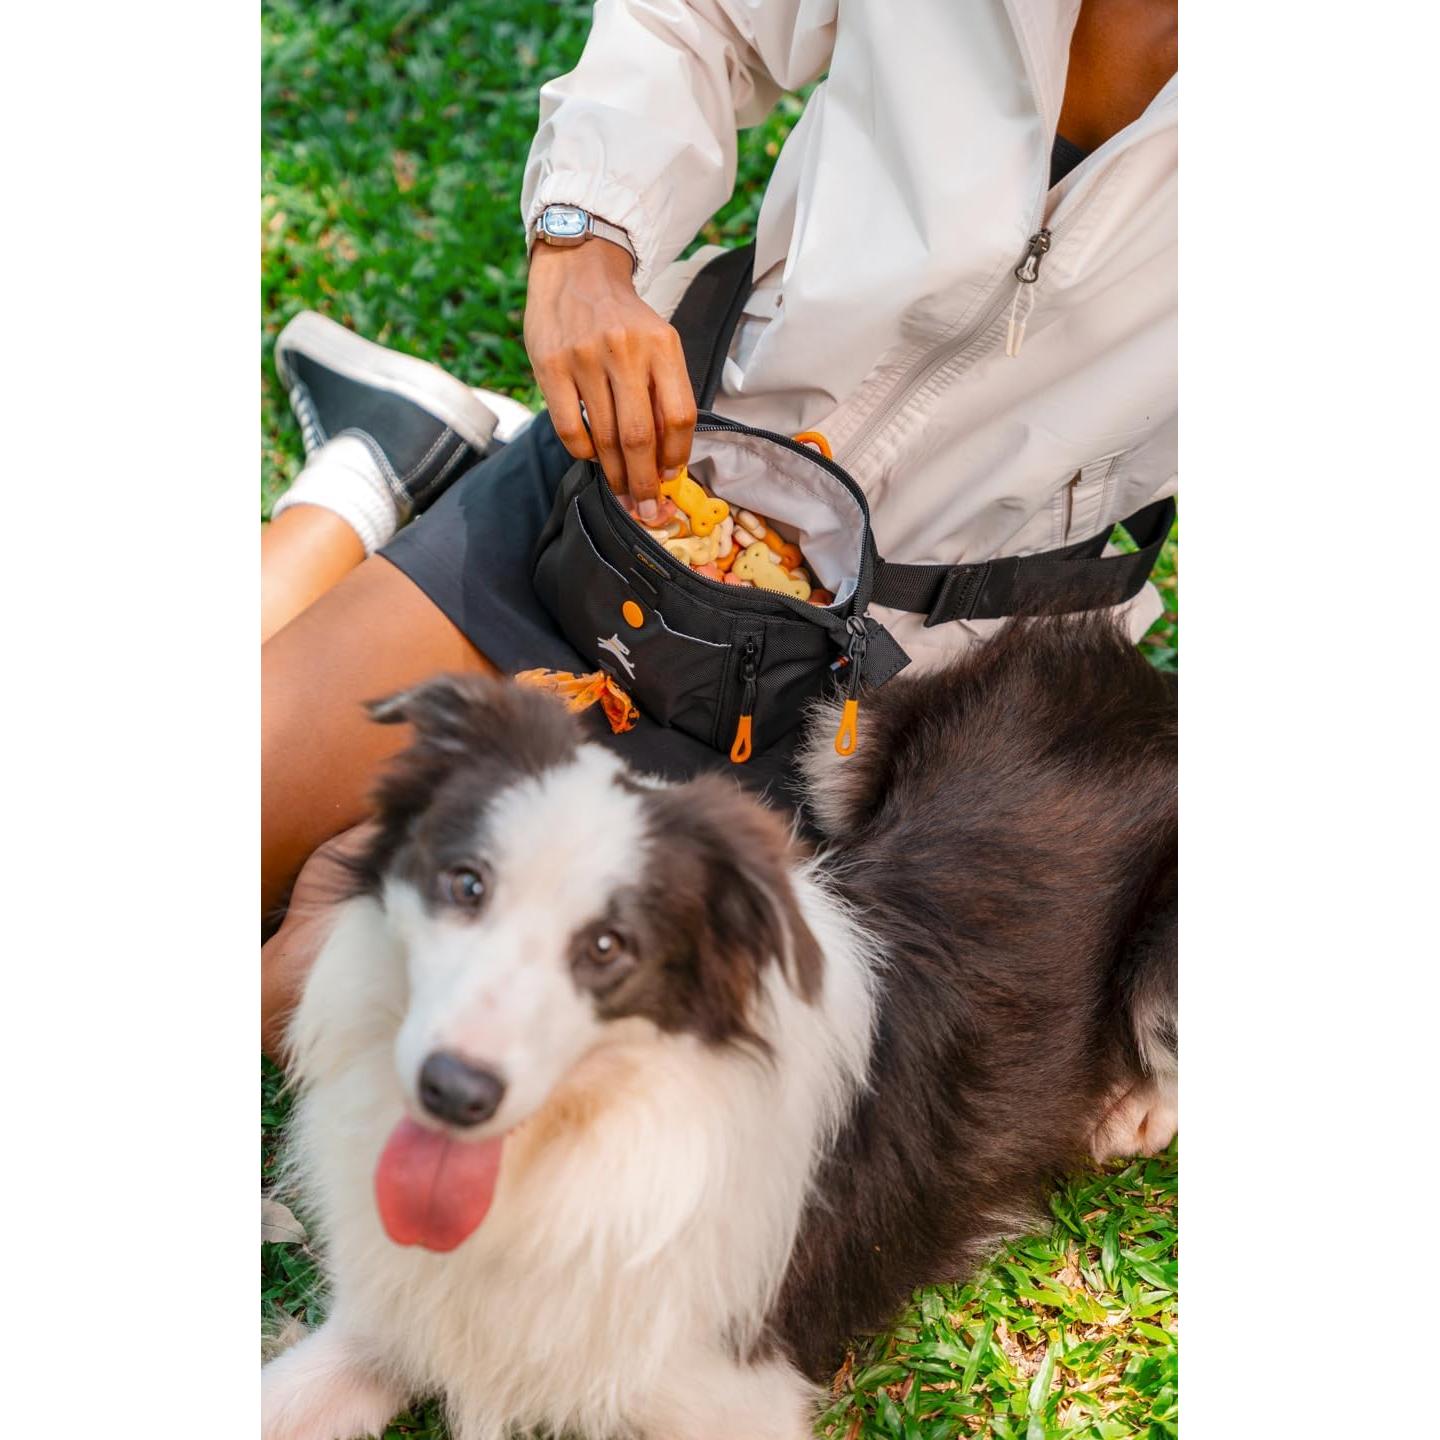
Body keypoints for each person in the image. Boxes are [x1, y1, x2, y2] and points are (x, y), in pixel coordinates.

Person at [261, 0, 1178, 1053]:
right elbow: (693, 17)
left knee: (560, 1064)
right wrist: (583, 244)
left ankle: (382, 472)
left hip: (894, 706)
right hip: (628, 510)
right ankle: (374, 481)